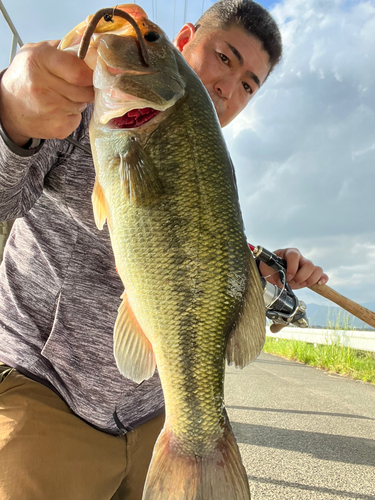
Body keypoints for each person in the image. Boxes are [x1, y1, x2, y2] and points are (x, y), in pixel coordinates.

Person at [0, 1, 328, 499]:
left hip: (157, 415)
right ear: (183, 40)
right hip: (43, 394)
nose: (228, 87)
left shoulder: (213, 167)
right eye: (224, 58)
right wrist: (9, 116)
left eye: (248, 85)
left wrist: (263, 270)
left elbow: (198, 270)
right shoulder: (70, 110)